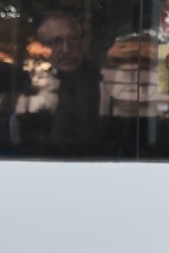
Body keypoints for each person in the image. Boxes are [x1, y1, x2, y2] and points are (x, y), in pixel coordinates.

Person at [16, 10, 104, 154]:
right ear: (43, 48)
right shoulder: (31, 85)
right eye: (56, 42)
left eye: (73, 39)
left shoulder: (102, 82)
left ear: (83, 43)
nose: (66, 49)